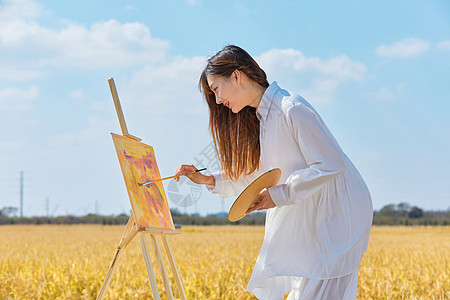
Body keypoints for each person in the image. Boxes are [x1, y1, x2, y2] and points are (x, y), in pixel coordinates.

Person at [174, 45, 373, 300]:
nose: (218, 100)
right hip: (314, 222)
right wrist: (208, 179)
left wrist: (279, 195)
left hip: (335, 217)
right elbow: (259, 174)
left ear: (237, 76)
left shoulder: (291, 108)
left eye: (216, 89)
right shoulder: (265, 118)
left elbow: (330, 163)